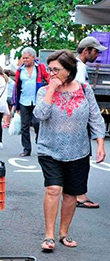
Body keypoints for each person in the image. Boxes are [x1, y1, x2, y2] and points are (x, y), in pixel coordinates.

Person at [34, 50, 106, 251]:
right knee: (53, 189)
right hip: (50, 149)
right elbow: (40, 114)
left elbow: (95, 117)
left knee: (71, 194)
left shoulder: (84, 89)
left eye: (56, 70)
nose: (52, 73)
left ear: (69, 70)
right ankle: (49, 236)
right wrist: (51, 90)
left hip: (79, 150)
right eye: (50, 69)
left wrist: (100, 143)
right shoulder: (43, 91)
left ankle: (63, 233)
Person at [73, 37, 108, 210]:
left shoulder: (77, 66)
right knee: (81, 158)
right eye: (96, 51)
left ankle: (76, 193)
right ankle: (80, 195)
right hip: (79, 120)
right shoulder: (78, 68)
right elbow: (79, 95)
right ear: (86, 50)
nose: (98, 55)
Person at [14, 47, 50, 157]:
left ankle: (40, 145)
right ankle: (26, 149)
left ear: (33, 57)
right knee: (24, 126)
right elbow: (17, 87)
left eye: (27, 58)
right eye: (23, 58)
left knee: (37, 123)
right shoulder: (20, 70)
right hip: (24, 100)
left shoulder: (40, 68)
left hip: (37, 101)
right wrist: (16, 105)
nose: (24, 60)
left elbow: (48, 79)